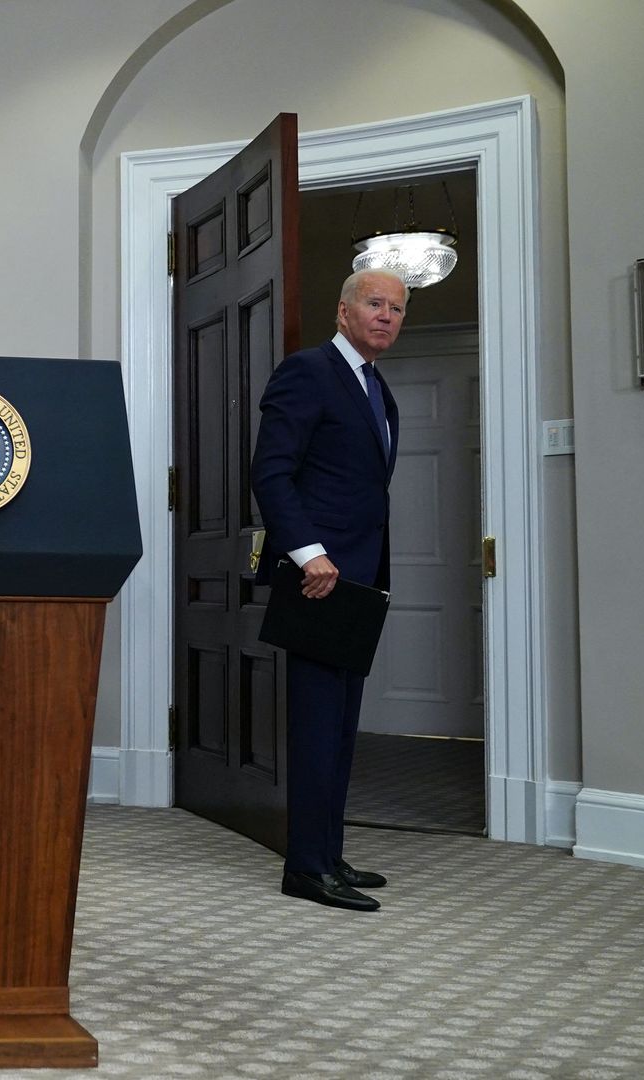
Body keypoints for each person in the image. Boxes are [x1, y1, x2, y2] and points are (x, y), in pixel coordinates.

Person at [250, 268, 406, 912]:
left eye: (398, 308)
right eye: (376, 304)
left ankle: (328, 853)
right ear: (343, 312)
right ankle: (306, 869)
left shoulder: (378, 388)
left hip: (360, 582)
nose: (388, 316)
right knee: (317, 725)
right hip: (318, 579)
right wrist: (308, 552)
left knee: (341, 727)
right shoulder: (306, 371)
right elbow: (271, 471)